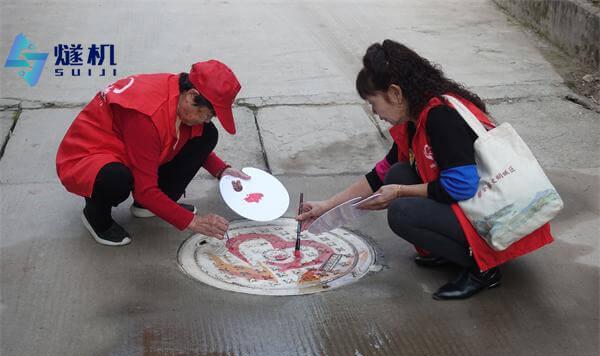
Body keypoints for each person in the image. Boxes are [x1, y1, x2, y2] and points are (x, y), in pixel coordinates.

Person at [297, 40, 554, 300]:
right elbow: (381, 174)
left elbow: (461, 186)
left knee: (402, 211)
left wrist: (398, 192)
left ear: (396, 93)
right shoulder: (415, 114)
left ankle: (483, 270)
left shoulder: (440, 117)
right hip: (477, 204)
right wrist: (327, 206)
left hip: (498, 215)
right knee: (397, 172)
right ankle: (453, 250)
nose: (375, 113)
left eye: (374, 103)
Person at [56, 60, 249, 246]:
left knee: (206, 135)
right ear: (192, 95)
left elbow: (190, 144)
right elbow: (145, 190)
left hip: (133, 146)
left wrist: (222, 170)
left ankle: (149, 206)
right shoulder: (148, 116)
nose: (207, 120)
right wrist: (193, 221)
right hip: (89, 155)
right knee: (115, 178)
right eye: (207, 114)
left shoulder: (179, 95)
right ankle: (96, 217)